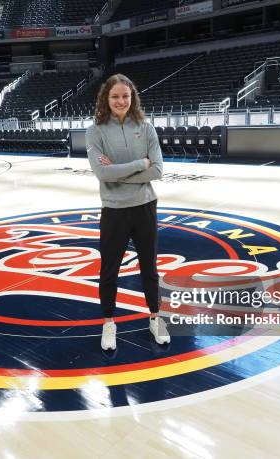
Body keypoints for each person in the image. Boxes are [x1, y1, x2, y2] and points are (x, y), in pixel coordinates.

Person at [85, 73, 170, 351]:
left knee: (150, 268)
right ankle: (109, 322)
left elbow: (157, 170)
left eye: (125, 96)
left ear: (132, 97)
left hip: (145, 206)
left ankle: (155, 318)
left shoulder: (146, 128)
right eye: (115, 96)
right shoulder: (95, 131)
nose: (121, 101)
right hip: (114, 210)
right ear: (105, 99)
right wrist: (139, 164)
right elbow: (101, 172)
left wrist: (116, 174)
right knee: (109, 270)